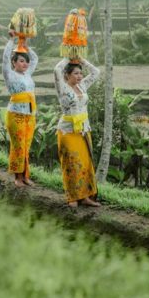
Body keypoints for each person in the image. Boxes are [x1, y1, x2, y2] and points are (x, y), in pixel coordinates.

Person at [53, 57, 102, 207]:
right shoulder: (62, 87)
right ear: (66, 75)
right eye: (75, 73)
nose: (79, 76)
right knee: (71, 163)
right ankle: (72, 196)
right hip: (67, 131)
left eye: (80, 73)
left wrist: (82, 60)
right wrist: (68, 56)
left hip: (83, 130)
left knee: (86, 164)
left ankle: (86, 196)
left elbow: (96, 72)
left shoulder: (83, 86)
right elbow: (56, 70)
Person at [2, 33, 39, 187]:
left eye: (26, 62)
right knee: (18, 146)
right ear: (14, 62)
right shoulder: (9, 74)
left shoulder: (27, 74)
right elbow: (4, 58)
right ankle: (17, 177)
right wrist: (11, 41)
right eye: (22, 61)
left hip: (29, 114)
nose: (25, 64)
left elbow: (35, 59)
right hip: (16, 114)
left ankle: (25, 176)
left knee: (26, 146)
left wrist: (26, 47)